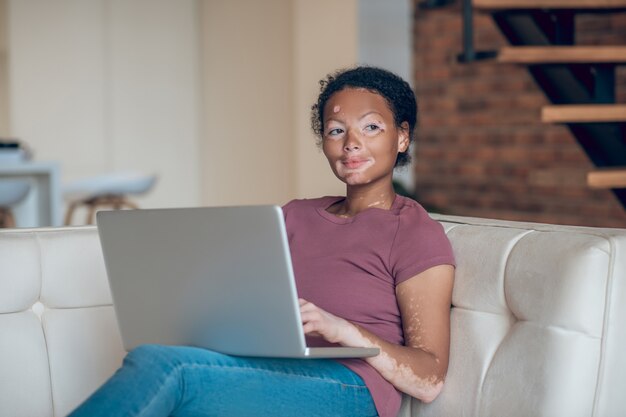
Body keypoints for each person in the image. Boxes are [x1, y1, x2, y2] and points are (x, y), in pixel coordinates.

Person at [68, 66, 455, 417]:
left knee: (164, 366)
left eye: (371, 127)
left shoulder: (414, 231)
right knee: (171, 376)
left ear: (402, 137)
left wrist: (345, 330)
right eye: (337, 130)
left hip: (348, 387)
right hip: (267, 369)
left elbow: (429, 377)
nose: (351, 143)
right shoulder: (294, 216)